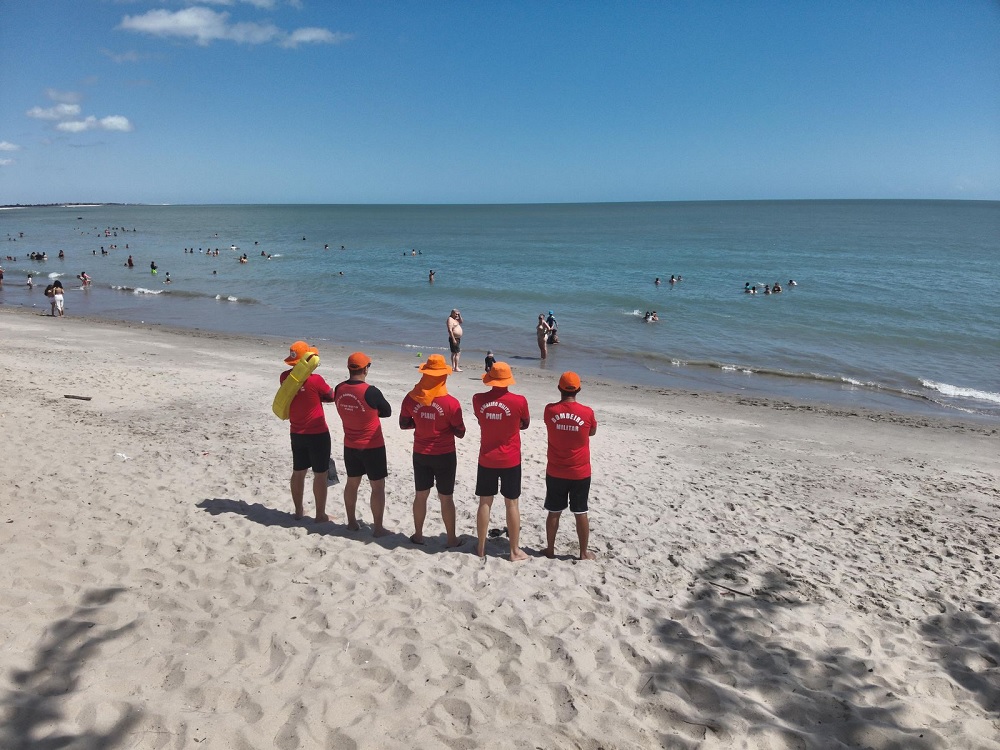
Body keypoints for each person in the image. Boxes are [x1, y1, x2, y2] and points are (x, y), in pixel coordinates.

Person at [399, 354, 466, 547]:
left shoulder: (411, 398)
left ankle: (418, 535)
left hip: (421, 453)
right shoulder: (451, 403)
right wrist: (442, 425)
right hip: (444, 454)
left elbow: (404, 424)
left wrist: (422, 423)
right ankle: (452, 538)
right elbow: (460, 432)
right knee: (446, 498)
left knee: (421, 495)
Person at [473, 362, 530, 561]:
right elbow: (525, 423)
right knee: (512, 504)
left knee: (485, 502)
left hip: (487, 457)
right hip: (510, 458)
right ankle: (514, 550)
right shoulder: (519, 401)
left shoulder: (478, 399)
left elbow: (481, 419)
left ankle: (481, 547)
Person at [334, 352, 393, 536]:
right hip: (371, 445)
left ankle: (351, 522)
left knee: (352, 483)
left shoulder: (339, 388)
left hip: (350, 445)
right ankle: (378, 528)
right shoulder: (370, 391)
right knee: (377, 487)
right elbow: (387, 411)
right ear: (366, 368)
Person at [542, 372, 598, 560]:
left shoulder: (550, 410)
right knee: (580, 512)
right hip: (580, 471)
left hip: (556, 470)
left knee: (554, 511)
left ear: (559, 388)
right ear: (579, 389)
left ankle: (550, 549)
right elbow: (592, 432)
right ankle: (583, 552)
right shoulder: (587, 412)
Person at [280, 341, 335, 523]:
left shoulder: (284, 378)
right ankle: (320, 515)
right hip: (317, 433)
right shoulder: (315, 380)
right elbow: (331, 395)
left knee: (298, 472)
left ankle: (298, 511)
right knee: (320, 474)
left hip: (296, 432)